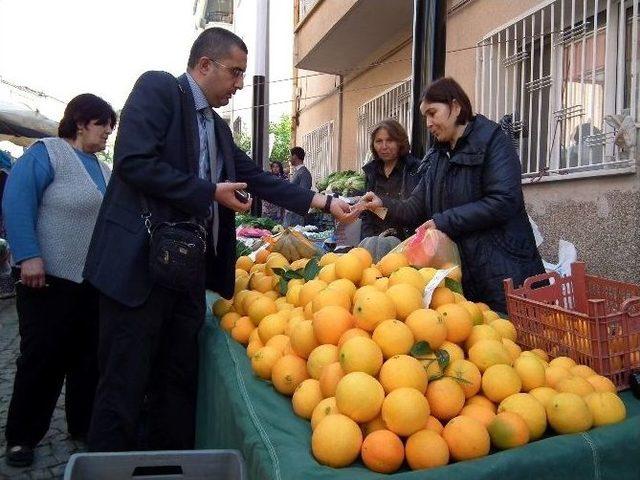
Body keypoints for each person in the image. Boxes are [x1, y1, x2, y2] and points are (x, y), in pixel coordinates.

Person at [83, 27, 351, 452]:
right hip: (138, 272)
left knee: (177, 384)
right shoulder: (158, 89)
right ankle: (104, 465)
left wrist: (324, 200)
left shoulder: (219, 128)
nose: (240, 84)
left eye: (243, 74)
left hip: (186, 278)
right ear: (204, 65)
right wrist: (207, 191)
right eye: (235, 72)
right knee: (124, 387)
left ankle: (169, 463)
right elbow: (132, 161)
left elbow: (258, 178)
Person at [353, 77, 544, 313]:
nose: (429, 123)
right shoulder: (437, 156)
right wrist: (384, 204)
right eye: (425, 116)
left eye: (433, 113)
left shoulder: (494, 141)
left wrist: (443, 221)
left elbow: (504, 201)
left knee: (509, 340)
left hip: (503, 273)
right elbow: (415, 206)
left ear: (455, 107)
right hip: (464, 275)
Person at [2, 94, 116, 467]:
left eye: (110, 128)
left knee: (87, 359)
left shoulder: (102, 168)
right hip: (45, 278)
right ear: (81, 121)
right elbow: (17, 201)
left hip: (89, 283)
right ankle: (22, 438)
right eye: (103, 126)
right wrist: (28, 255)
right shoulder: (46, 152)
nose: (107, 135)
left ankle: (82, 425)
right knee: (42, 358)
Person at [360, 119, 421, 240]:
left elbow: (416, 210)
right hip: (376, 240)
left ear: (400, 142)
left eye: (390, 140)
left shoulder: (415, 170)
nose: (384, 146)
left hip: (406, 241)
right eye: (379, 141)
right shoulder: (371, 172)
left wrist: (383, 203)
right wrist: (368, 241)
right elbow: (367, 214)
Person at [283, 146, 312, 227]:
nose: (289, 159)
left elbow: (303, 194)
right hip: (292, 212)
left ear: (295, 156)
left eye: (290, 156)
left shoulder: (304, 173)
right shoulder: (298, 172)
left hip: (296, 214)